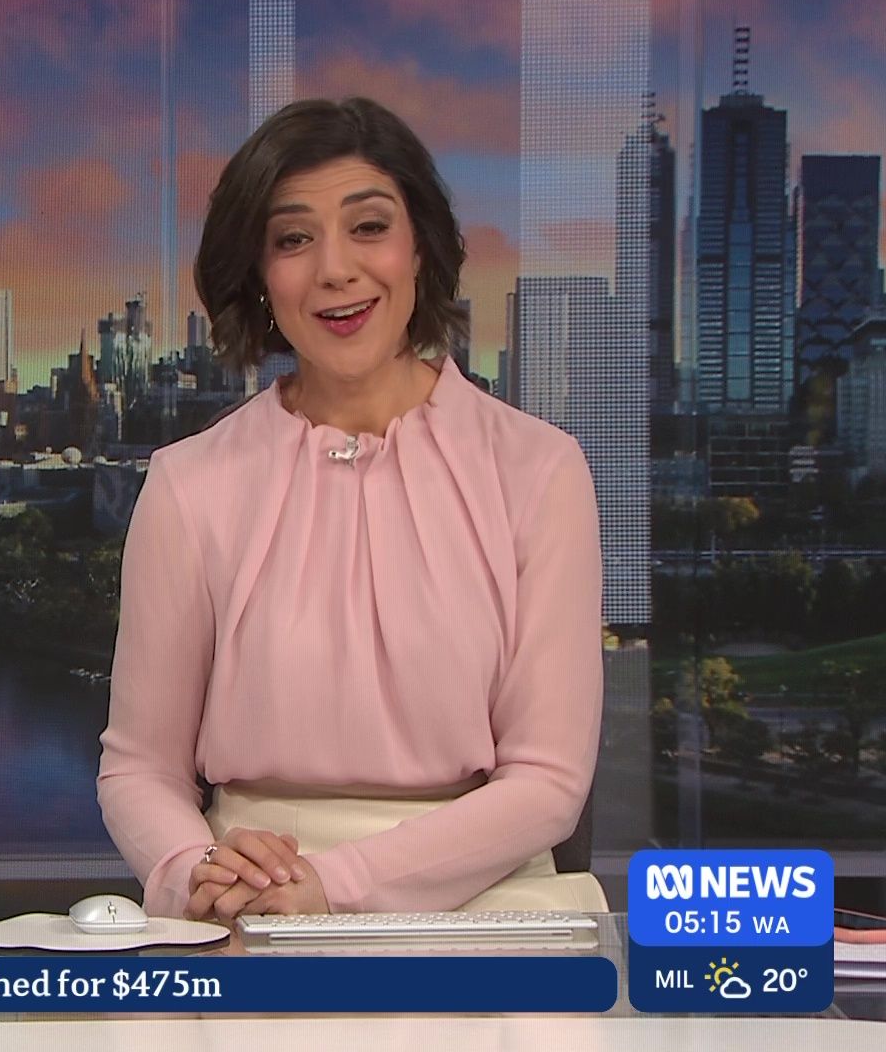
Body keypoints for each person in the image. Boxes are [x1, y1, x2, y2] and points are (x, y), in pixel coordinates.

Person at [97, 97, 606, 922]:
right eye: (293, 239)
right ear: (260, 276)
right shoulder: (189, 484)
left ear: (420, 249)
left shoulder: (538, 471)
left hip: (482, 906)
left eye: (369, 227)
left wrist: (336, 887)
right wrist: (198, 873)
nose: (335, 269)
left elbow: (548, 781)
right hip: (248, 908)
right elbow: (139, 769)